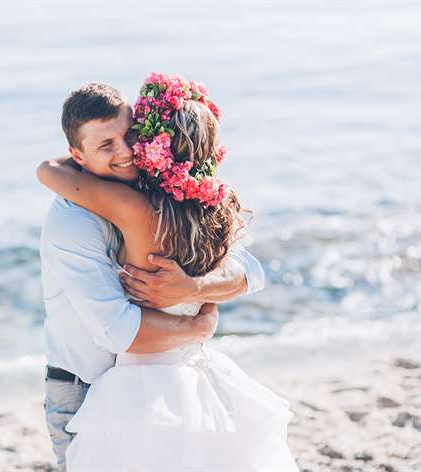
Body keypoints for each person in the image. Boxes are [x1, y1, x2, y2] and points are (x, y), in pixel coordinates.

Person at [37, 74, 298, 471]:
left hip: (160, 382)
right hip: (84, 389)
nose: (125, 152)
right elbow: (118, 331)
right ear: (77, 155)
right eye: (106, 145)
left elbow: (249, 270)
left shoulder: (161, 191)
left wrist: (194, 286)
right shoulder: (70, 223)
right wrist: (197, 328)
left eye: (129, 136)